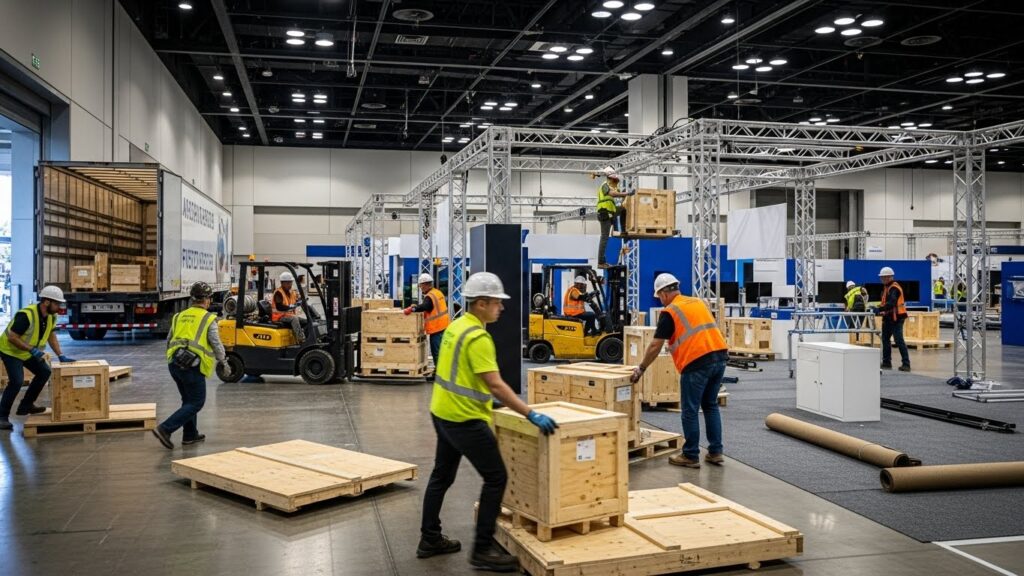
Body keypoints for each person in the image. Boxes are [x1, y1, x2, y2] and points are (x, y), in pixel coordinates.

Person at [419, 272, 558, 572]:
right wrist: (529, 413)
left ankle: (429, 538)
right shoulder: (479, 338)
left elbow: (460, 375)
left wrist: (490, 403)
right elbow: (495, 384)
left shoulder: (456, 327)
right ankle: (482, 550)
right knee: (496, 478)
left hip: (442, 412)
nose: (501, 308)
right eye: (497, 302)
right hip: (464, 420)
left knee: (441, 476)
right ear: (481, 303)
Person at [630, 273, 728, 468]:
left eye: (659, 297)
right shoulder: (698, 302)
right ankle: (716, 452)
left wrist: (641, 368)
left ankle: (690, 454)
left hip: (696, 362)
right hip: (719, 356)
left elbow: (655, 345)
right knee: (710, 405)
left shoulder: (670, 312)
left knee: (690, 410)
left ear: (664, 294)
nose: (660, 300)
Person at [153, 282, 228, 449]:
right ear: (207, 299)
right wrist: (224, 362)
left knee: (188, 400)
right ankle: (165, 429)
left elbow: (169, 340)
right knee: (196, 402)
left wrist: (172, 358)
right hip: (191, 365)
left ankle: (190, 434)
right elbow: (216, 343)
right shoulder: (208, 318)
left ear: (192, 299)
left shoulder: (179, 316)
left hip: (174, 363)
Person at [0, 286, 77, 430]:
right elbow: (13, 337)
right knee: (17, 381)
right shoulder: (26, 316)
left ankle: (26, 406)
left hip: (27, 352)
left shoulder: (51, 316)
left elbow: (51, 335)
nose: (59, 307)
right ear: (46, 302)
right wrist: (32, 350)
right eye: (57, 303)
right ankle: (2, 416)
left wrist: (61, 355)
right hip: (10, 351)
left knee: (44, 372)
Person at [404, 273, 450, 369]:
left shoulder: (430, 296)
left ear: (425, 284)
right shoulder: (437, 292)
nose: (420, 288)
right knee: (443, 350)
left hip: (437, 327)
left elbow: (425, 306)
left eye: (421, 286)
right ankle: (443, 369)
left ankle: (438, 371)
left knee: (436, 351)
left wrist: (413, 309)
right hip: (444, 325)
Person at [595, 167, 630, 268]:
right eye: (614, 180)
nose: (615, 183)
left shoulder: (611, 187)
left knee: (623, 209)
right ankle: (601, 262)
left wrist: (624, 195)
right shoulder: (604, 186)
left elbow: (617, 193)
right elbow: (613, 194)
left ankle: (622, 232)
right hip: (604, 213)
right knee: (604, 237)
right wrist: (626, 193)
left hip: (611, 213)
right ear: (609, 178)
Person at [878, 266, 911, 372]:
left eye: (884, 277)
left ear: (890, 277)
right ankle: (886, 362)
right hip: (888, 318)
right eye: (882, 277)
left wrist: (880, 309)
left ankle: (906, 364)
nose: (882, 279)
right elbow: (886, 303)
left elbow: (892, 302)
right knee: (885, 339)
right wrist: (880, 309)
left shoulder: (894, 288)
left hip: (897, 318)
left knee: (899, 340)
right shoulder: (887, 288)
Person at [273, 271, 306, 344]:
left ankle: (308, 337)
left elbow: (297, 299)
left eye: (291, 282)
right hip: (279, 316)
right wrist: (289, 307)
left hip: (288, 315)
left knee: (306, 321)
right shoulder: (278, 293)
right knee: (294, 319)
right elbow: (279, 307)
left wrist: (301, 300)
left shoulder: (292, 291)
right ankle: (301, 340)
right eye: (288, 283)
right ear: (282, 283)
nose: (290, 284)